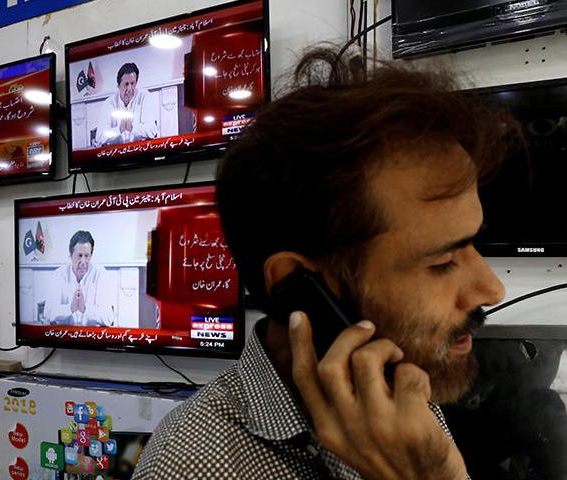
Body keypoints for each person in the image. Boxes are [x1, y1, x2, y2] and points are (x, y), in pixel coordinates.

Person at [133, 48, 519, 479]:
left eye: (472, 246)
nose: (491, 288)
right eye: (443, 262)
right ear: (297, 285)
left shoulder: (399, 388)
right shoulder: (195, 467)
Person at [44, 230, 116, 327]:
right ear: (70, 255)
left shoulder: (101, 274)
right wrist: (70, 309)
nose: (83, 261)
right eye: (79, 256)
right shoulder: (58, 275)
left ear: (91, 255)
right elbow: (48, 313)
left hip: (92, 338)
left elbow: (108, 317)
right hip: (64, 337)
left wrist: (85, 309)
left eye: (87, 256)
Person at [96, 63, 159, 146]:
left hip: (140, 152)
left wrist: (133, 128)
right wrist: (119, 130)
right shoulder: (109, 103)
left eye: (132, 83)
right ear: (118, 86)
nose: (129, 89)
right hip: (116, 154)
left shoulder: (144, 96)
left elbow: (152, 130)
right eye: (126, 84)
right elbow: (99, 136)